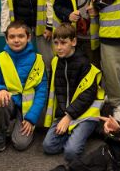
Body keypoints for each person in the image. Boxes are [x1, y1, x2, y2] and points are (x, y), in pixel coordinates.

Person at [42, 23, 103, 161]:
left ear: (73, 42)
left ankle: (87, 128)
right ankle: (75, 133)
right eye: (56, 43)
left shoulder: (85, 64)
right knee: (48, 146)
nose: (59, 47)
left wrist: (69, 117)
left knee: (71, 153)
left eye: (63, 43)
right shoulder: (55, 62)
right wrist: (63, 116)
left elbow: (87, 96)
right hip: (65, 113)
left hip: (86, 113)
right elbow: (54, 91)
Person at [0, 21, 48, 152]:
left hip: (28, 108)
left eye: (21, 36)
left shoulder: (38, 60)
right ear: (6, 39)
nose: (16, 40)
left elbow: (41, 92)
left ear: (28, 37)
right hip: (9, 103)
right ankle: (2, 129)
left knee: (20, 144)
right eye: (12, 37)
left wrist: (31, 118)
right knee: (1, 100)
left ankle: (18, 124)